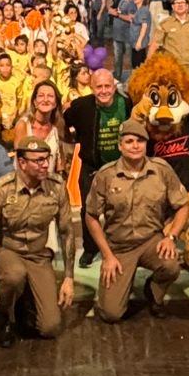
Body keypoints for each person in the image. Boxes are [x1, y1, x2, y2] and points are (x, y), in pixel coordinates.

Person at [0, 136, 78, 346]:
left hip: (38, 255)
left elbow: (67, 232)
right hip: (8, 251)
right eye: (38, 160)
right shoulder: (1, 189)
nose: (45, 164)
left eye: (46, 159)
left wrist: (68, 278)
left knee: (50, 327)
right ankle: (6, 317)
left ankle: (25, 301)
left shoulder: (56, 187)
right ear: (21, 162)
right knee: (14, 275)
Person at [83, 117, 188, 323]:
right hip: (119, 247)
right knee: (111, 314)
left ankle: (154, 292)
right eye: (129, 141)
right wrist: (107, 255)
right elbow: (91, 216)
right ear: (120, 145)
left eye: (140, 141)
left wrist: (171, 237)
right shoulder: (106, 175)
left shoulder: (161, 170)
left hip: (151, 240)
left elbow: (183, 206)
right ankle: (123, 282)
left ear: (146, 144)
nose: (135, 145)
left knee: (171, 264)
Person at [63, 67, 130, 265]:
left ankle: (119, 245)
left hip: (120, 166)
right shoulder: (81, 106)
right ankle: (90, 249)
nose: (103, 91)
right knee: (88, 209)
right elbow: (65, 120)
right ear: (91, 88)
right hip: (91, 166)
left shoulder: (126, 103)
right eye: (98, 86)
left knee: (121, 206)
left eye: (107, 86)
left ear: (114, 86)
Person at [151, 0, 189, 80]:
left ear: (187, 6)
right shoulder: (165, 23)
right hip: (171, 67)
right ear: (173, 7)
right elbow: (155, 44)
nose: (180, 5)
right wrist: (149, 65)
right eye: (177, 3)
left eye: (182, 3)